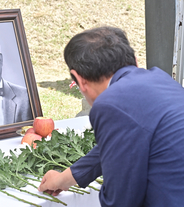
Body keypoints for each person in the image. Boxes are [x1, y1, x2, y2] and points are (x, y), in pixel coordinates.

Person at [38, 26, 184, 206]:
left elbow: (120, 199)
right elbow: (118, 145)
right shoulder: (161, 79)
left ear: (79, 80)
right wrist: (64, 179)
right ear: (135, 61)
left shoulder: (110, 103)